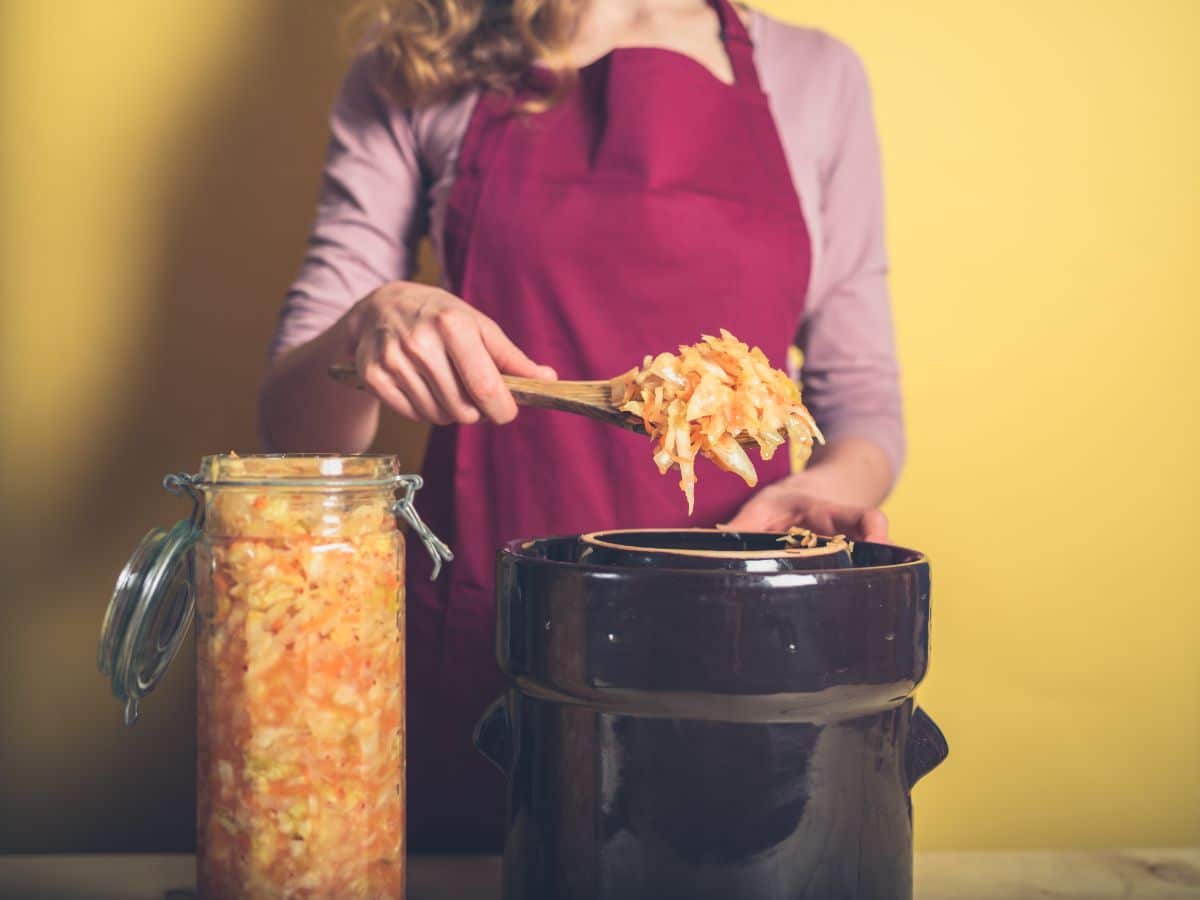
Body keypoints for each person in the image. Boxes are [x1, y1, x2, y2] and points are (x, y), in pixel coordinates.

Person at [260, 0, 904, 851]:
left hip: (745, 645)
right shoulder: (420, 64)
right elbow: (292, 432)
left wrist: (820, 488)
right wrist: (365, 324)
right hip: (498, 640)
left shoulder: (817, 76)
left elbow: (863, 406)